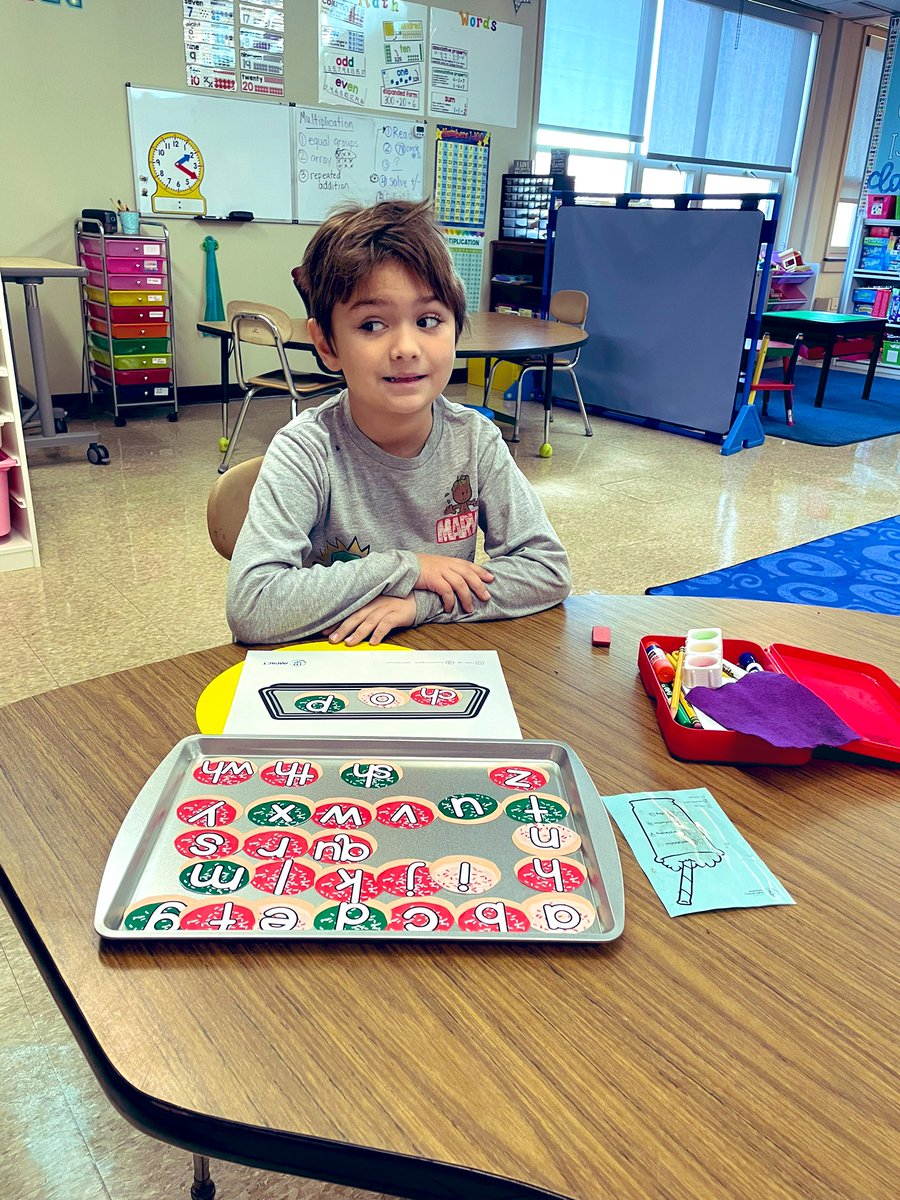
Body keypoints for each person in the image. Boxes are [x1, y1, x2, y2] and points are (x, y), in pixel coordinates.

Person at [226, 198, 570, 646]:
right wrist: (408, 566)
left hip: (437, 661)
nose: (406, 347)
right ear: (326, 344)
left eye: (429, 320)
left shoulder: (475, 440)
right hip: (330, 669)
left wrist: (418, 605)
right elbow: (254, 605)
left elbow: (546, 569)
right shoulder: (306, 449)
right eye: (371, 325)